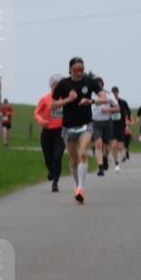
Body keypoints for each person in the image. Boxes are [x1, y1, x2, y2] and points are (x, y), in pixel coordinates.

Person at [53, 57, 99, 204]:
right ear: (70, 70)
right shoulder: (63, 84)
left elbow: (103, 98)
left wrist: (91, 101)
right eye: (76, 70)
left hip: (86, 124)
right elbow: (53, 105)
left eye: (82, 69)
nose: (79, 72)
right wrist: (68, 99)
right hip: (68, 126)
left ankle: (80, 188)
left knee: (84, 152)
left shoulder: (89, 82)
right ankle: (77, 185)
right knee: (73, 160)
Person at [35, 74, 65, 192]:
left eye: (58, 84)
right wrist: (41, 120)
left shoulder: (65, 99)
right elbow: (36, 113)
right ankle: (52, 172)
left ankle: (55, 183)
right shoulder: (45, 99)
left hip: (60, 132)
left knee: (57, 157)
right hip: (47, 132)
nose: (56, 86)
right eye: (54, 84)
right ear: (50, 85)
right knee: (48, 159)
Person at [90, 77, 115, 176]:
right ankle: (100, 167)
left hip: (107, 122)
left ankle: (105, 158)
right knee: (98, 143)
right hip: (95, 123)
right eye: (96, 86)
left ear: (102, 85)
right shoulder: (90, 95)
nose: (98, 87)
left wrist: (108, 110)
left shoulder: (108, 94)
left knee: (106, 146)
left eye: (99, 86)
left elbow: (117, 107)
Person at [111, 86, 132, 166]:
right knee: (113, 145)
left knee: (120, 144)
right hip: (112, 126)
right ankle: (116, 161)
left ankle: (123, 155)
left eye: (116, 92)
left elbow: (129, 112)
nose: (115, 94)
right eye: (113, 92)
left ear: (118, 93)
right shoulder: (109, 102)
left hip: (121, 125)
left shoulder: (123, 102)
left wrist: (128, 121)